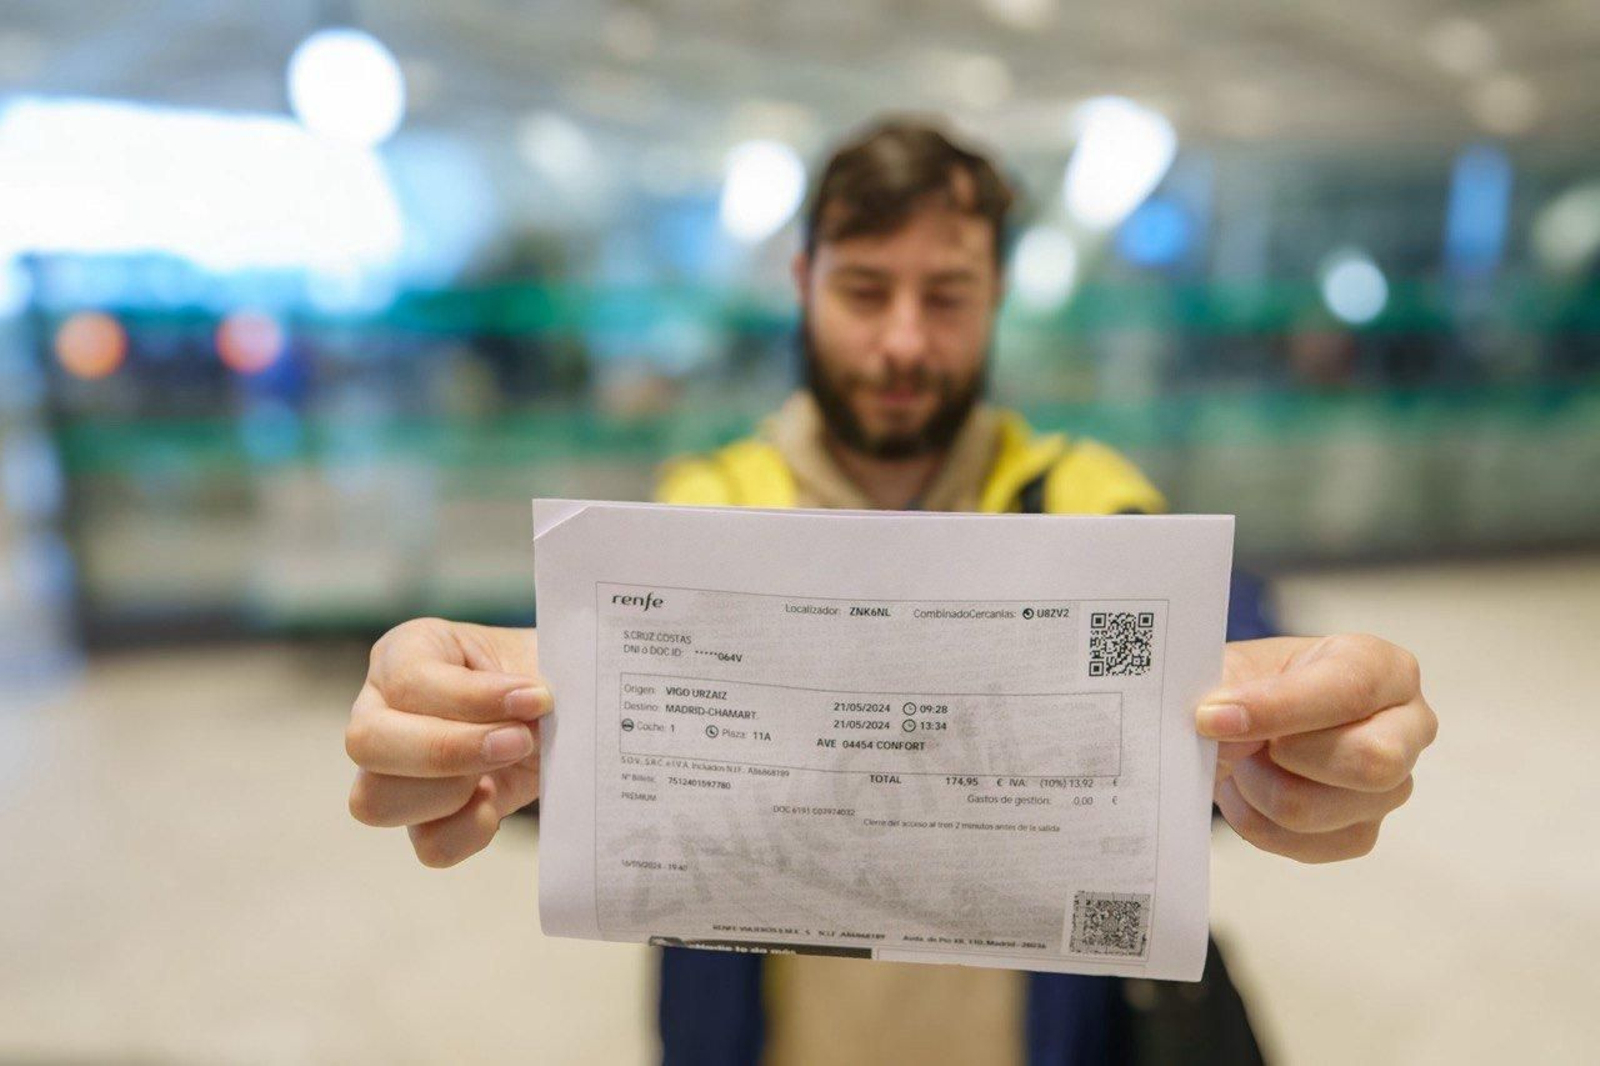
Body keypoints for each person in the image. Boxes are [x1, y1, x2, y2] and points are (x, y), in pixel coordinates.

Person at [344, 119, 1438, 1065]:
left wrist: (1317, 719)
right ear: (802, 281)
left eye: (947, 295)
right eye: (865, 290)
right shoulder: (704, 511)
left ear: (997, 296)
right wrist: (472, 725)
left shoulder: (1087, 503)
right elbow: (604, 753)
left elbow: (1234, 661)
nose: (903, 340)